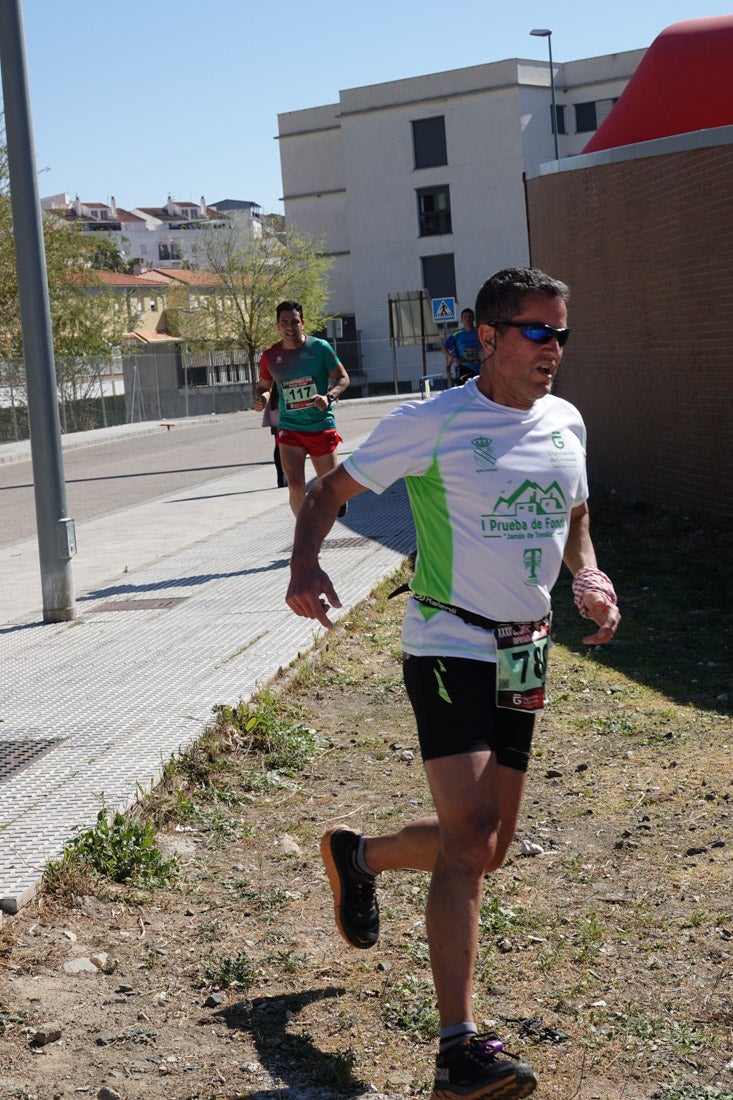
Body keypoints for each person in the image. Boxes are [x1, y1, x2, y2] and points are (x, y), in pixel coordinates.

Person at [286, 268, 620, 1100]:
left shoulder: (565, 421)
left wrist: (589, 575)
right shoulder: (432, 423)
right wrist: (303, 565)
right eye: (538, 333)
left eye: (562, 334)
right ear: (489, 335)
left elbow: (574, 514)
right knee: (469, 834)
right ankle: (456, 1049)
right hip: (447, 641)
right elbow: (330, 489)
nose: (554, 351)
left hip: (525, 647)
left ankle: (355, 858)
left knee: (485, 849)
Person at [254, 301, 350, 516]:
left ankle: (338, 499)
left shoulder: (320, 348)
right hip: (289, 427)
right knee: (296, 485)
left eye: (295, 322)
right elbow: (264, 387)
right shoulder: (270, 356)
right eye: (284, 322)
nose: (290, 327)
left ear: (302, 323)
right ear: (278, 326)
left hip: (320, 425)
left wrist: (329, 396)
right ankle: (305, 538)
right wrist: (261, 398)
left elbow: (343, 378)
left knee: (329, 488)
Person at [443, 307, 481, 385]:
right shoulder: (457, 334)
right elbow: (444, 349)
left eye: (470, 317)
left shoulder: (479, 332)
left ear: (473, 319)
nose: (467, 319)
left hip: (480, 368)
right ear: (461, 320)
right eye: (465, 317)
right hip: (463, 368)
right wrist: (454, 360)